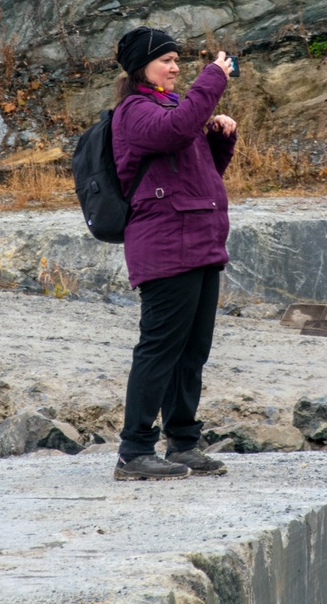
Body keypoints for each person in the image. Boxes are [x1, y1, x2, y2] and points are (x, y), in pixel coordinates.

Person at [111, 26, 237, 481]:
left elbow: (199, 178)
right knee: (160, 348)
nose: (175, 66)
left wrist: (219, 140)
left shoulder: (170, 108)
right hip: (165, 245)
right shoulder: (135, 111)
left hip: (201, 243)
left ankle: (183, 443)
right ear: (141, 66)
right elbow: (178, 129)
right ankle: (133, 451)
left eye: (177, 60)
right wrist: (213, 78)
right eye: (166, 59)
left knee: (192, 352)